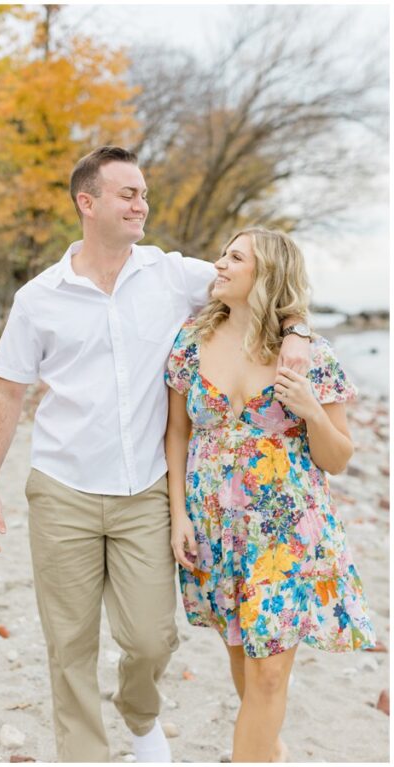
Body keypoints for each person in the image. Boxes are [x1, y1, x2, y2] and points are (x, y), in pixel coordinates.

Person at [0, 146, 311, 762]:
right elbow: (7, 389)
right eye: (127, 193)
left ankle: (140, 712)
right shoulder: (39, 297)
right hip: (62, 488)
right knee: (69, 644)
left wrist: (298, 335)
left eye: (144, 193)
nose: (141, 203)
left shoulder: (172, 274)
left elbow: (260, 286)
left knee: (152, 639)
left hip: (147, 491)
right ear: (88, 201)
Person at [164, 228, 375, 762]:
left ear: (266, 275)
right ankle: (269, 750)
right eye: (222, 253)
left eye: (235, 257)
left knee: (269, 673)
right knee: (244, 661)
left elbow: (339, 458)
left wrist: (307, 407)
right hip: (215, 529)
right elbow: (177, 434)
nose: (219, 263)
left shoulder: (308, 356)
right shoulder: (191, 340)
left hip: (286, 533)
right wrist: (177, 517)